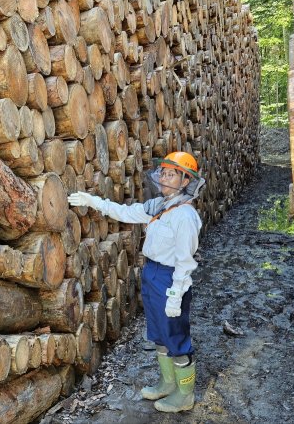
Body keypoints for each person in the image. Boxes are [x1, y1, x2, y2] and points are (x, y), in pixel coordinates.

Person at [68, 151, 204, 413]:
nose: (164, 178)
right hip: (152, 273)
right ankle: (167, 383)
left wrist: (176, 293)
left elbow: (185, 261)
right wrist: (92, 200)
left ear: (185, 180)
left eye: (171, 174)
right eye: (163, 172)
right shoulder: (159, 207)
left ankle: (185, 395)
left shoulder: (185, 216)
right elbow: (126, 212)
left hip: (170, 278)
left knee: (176, 336)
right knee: (159, 334)